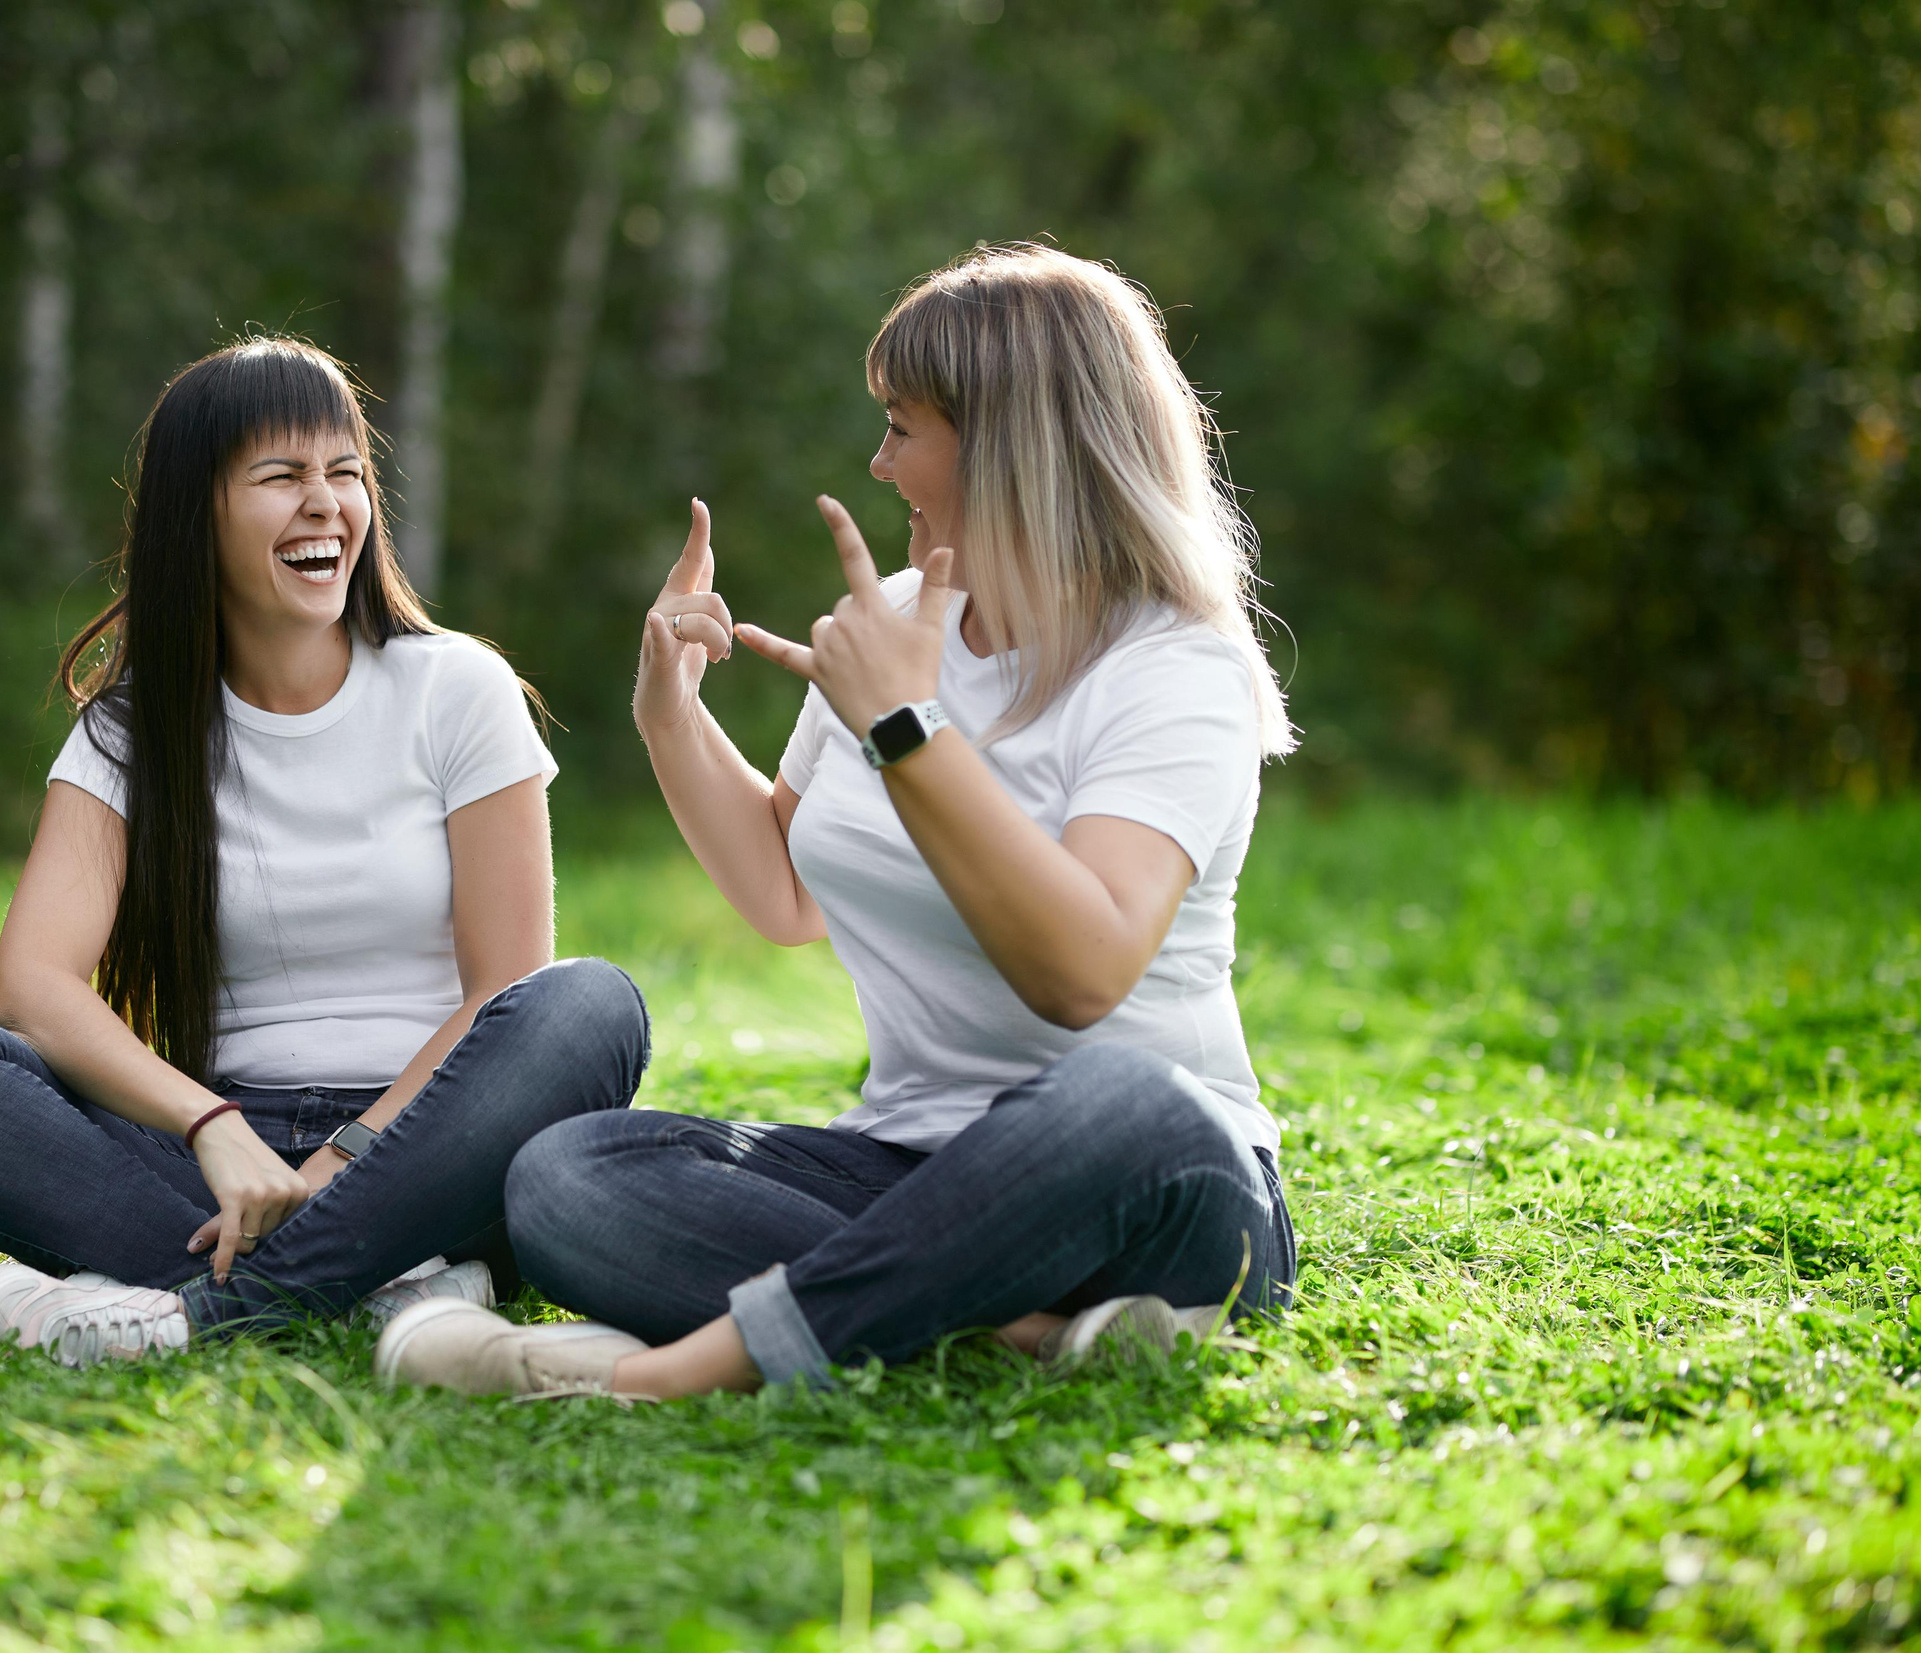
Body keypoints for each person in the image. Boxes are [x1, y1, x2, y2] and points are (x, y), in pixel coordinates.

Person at [379, 243, 1299, 1399]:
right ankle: (1005, 1326)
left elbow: (1082, 973)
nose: (878, 463)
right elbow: (785, 891)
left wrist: (907, 729)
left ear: (1007, 443)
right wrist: (670, 713)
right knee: (572, 1173)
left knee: (1118, 1099)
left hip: (1151, 1183)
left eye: (903, 428)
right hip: (910, 1167)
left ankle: (668, 1375)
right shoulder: (893, 625)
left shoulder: (1170, 668)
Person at [0, 337, 647, 1368]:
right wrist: (211, 1128)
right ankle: (375, 1280)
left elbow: (504, 992)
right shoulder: (128, 735)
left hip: (435, 1132)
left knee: (588, 1006)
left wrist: (349, 1161)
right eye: (282, 477)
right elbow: (34, 987)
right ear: (198, 511)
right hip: (217, 1154)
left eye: (345, 473)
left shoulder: (457, 690)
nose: (327, 504)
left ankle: (204, 1307)